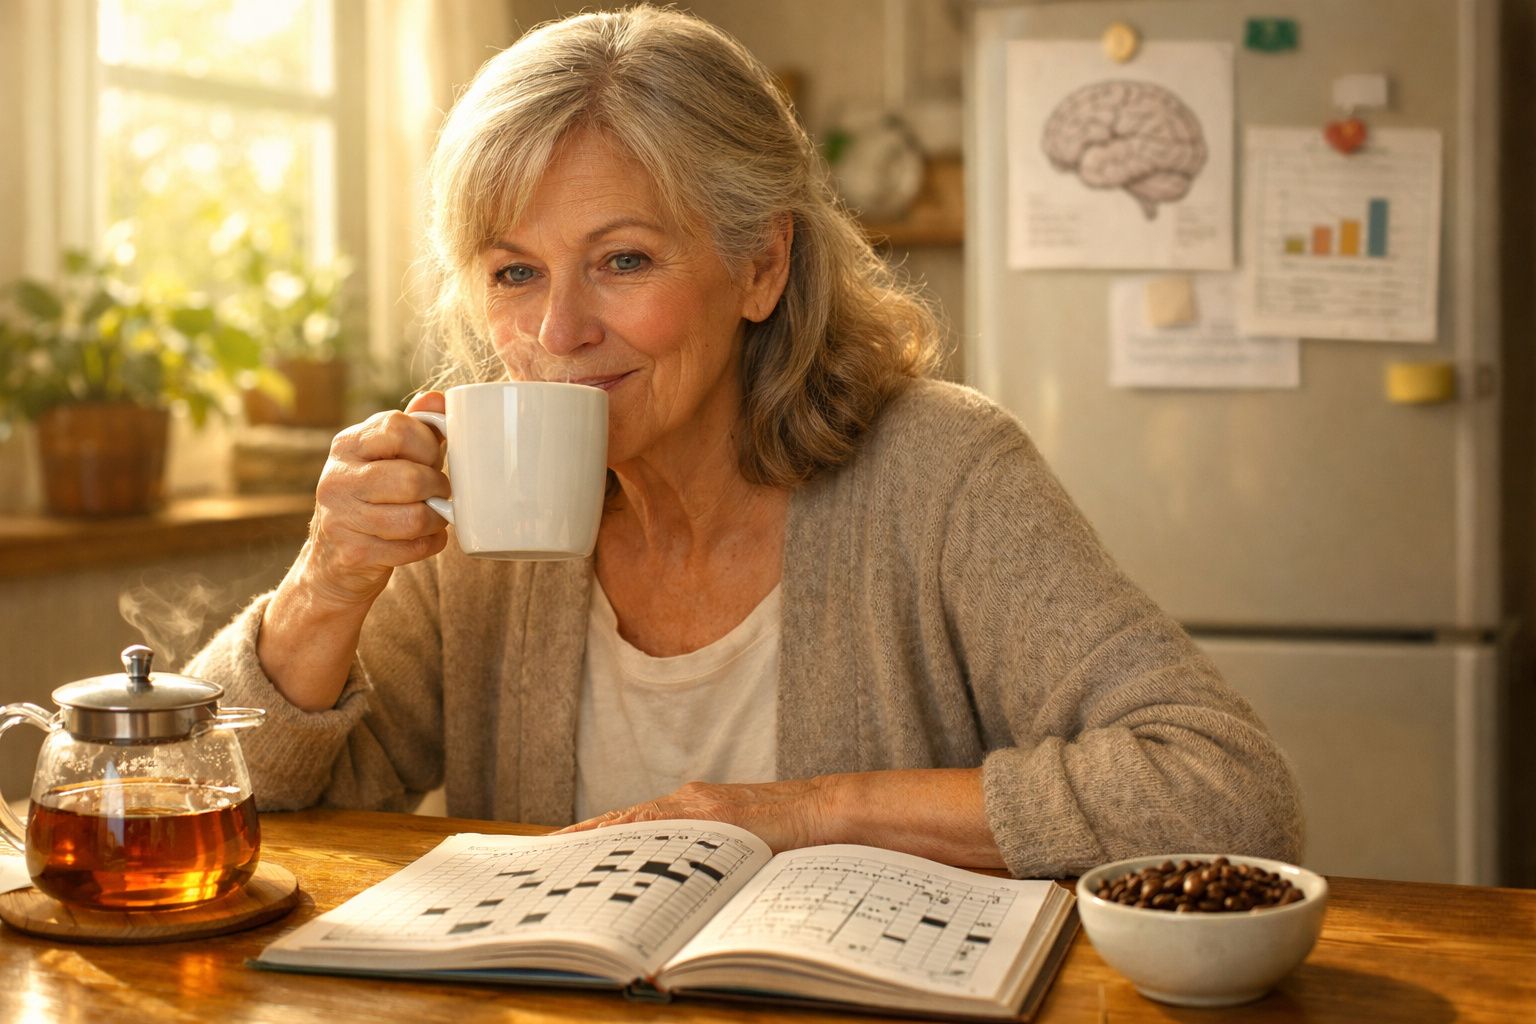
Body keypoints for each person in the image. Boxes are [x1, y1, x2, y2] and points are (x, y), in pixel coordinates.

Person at [187, 6, 1303, 878]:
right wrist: (326, 585)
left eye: (623, 260)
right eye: (514, 272)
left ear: (761, 266)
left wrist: (803, 813)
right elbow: (213, 799)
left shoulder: (942, 472)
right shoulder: (470, 509)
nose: (558, 331)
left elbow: (1225, 789)